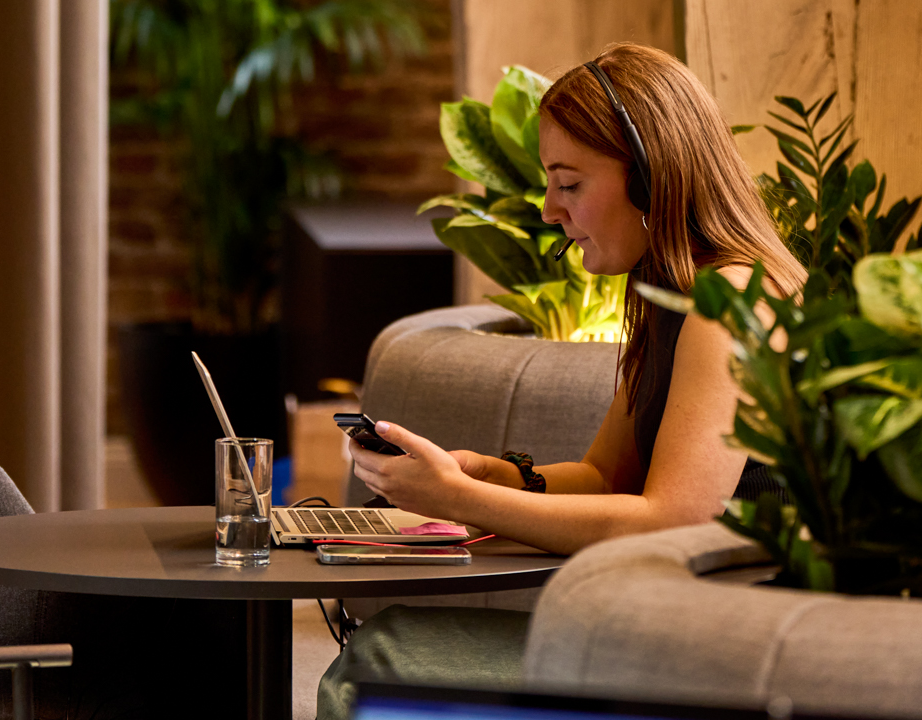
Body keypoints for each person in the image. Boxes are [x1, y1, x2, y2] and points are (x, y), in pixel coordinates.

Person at [314, 43, 805, 719]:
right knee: (385, 645)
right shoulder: (674, 299)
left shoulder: (736, 301)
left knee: (380, 657)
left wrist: (461, 501)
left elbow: (674, 518)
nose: (549, 209)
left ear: (652, 180)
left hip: (734, 665)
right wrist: (486, 473)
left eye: (569, 184)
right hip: (686, 637)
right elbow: (606, 475)